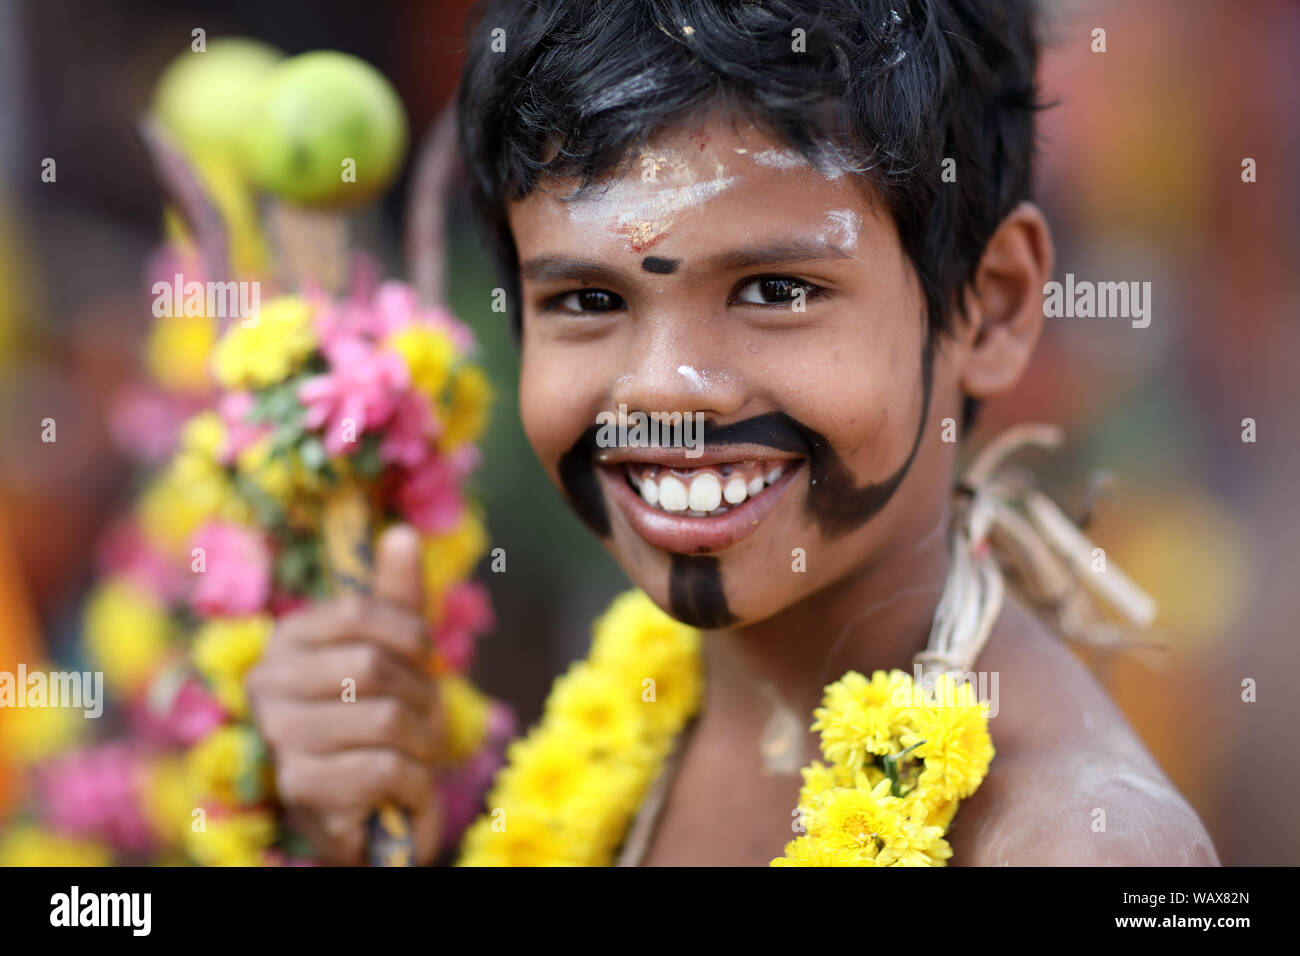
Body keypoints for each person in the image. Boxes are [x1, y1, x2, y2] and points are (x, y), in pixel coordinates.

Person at [246, 0, 1218, 865]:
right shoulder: (614, 728)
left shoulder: (1079, 843)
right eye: (587, 298)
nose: (668, 390)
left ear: (989, 308)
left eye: (776, 290)